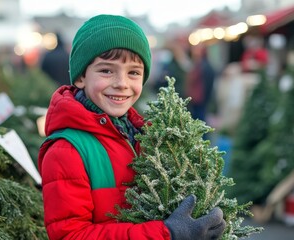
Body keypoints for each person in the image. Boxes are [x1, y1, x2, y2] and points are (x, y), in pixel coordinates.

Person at [38, 14, 226, 240]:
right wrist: (167, 233)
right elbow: (70, 235)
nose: (121, 83)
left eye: (134, 72)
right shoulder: (67, 151)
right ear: (80, 77)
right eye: (106, 70)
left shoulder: (143, 135)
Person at [185, 44, 216, 122]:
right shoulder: (204, 64)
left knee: (199, 120)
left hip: (199, 99)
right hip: (200, 99)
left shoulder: (202, 66)